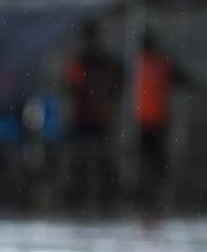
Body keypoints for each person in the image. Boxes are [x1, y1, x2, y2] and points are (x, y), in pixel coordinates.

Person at [62, 21, 121, 207]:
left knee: (97, 158)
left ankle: (100, 195)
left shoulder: (101, 62)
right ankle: (82, 194)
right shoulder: (84, 62)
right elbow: (71, 88)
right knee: (83, 159)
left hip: (95, 116)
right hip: (84, 117)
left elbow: (113, 87)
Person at [132, 29, 186, 206]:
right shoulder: (153, 63)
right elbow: (181, 78)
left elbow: (180, 77)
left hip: (153, 119)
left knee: (153, 158)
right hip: (150, 119)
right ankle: (152, 189)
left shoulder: (150, 63)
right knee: (153, 158)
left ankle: (153, 190)